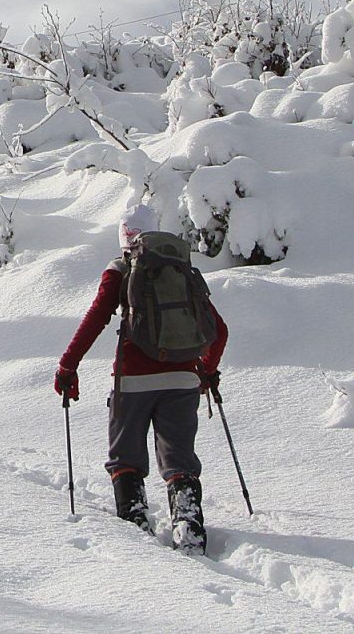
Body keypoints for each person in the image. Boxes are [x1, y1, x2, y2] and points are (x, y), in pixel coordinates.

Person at [54, 203, 228, 549]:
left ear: (124, 236)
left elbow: (95, 319)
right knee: (179, 461)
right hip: (183, 378)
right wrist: (205, 371)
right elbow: (218, 330)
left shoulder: (119, 269)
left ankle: (136, 526)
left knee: (126, 459)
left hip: (132, 380)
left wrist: (68, 365)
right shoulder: (181, 269)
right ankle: (188, 521)